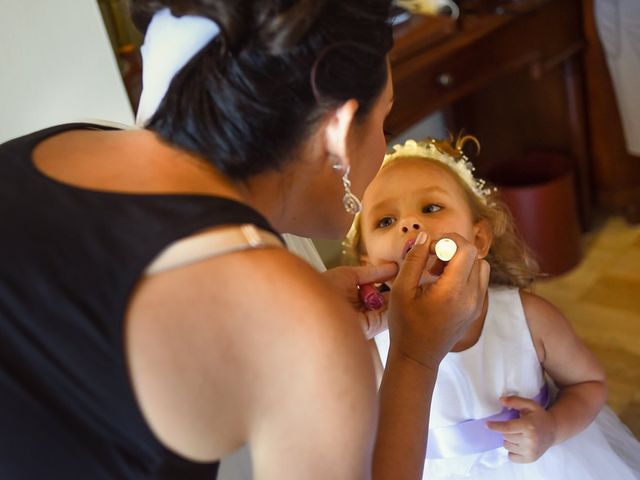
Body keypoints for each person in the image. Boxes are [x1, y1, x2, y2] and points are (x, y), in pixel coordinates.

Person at [0, 2, 491, 479]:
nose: (383, 142)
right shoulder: (291, 321)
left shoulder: (60, 145)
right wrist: (414, 355)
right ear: (338, 131)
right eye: (383, 120)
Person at [344, 136, 640, 479]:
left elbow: (589, 383)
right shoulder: (372, 348)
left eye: (430, 208)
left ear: (479, 239)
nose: (409, 224)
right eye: (385, 221)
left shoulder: (528, 318)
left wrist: (552, 428)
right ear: (369, 262)